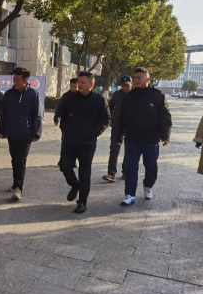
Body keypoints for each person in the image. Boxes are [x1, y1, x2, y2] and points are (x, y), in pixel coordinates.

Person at [116, 67, 172, 206]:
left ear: (147, 79)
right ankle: (129, 194)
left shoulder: (157, 96)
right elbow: (121, 118)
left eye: (139, 78)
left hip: (150, 139)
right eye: (135, 78)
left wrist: (165, 135)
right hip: (132, 139)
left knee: (151, 167)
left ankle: (148, 186)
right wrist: (119, 136)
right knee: (130, 168)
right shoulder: (128, 96)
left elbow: (165, 117)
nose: (136, 80)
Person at [59, 71, 110, 214]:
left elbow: (106, 120)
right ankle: (75, 185)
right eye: (78, 82)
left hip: (87, 143)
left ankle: (82, 201)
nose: (79, 85)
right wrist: (65, 129)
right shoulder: (70, 98)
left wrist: (93, 133)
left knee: (85, 173)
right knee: (65, 166)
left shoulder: (99, 100)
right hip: (69, 141)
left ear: (91, 84)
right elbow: (62, 114)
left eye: (83, 83)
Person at [0, 67, 43, 201]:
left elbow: (37, 115)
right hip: (12, 132)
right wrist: (1, 130)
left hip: (26, 133)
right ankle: (15, 183)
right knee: (14, 159)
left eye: (18, 80)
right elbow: (3, 113)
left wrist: (36, 133)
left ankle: (18, 188)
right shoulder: (8, 94)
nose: (15, 82)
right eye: (14, 79)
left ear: (25, 81)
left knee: (21, 160)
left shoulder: (33, 94)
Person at [103, 76, 133, 183]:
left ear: (131, 84)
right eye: (123, 85)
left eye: (127, 85)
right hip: (117, 126)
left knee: (129, 150)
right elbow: (110, 108)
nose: (125, 88)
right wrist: (110, 119)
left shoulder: (136, 95)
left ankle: (125, 171)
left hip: (131, 127)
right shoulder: (117, 94)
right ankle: (111, 173)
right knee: (114, 149)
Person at [54, 77, 79, 167]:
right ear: (70, 86)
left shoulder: (81, 97)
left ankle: (73, 161)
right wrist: (56, 117)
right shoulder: (65, 96)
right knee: (65, 142)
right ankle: (62, 160)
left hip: (77, 125)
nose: (74, 88)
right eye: (72, 86)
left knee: (75, 143)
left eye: (76, 86)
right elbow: (59, 107)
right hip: (66, 124)